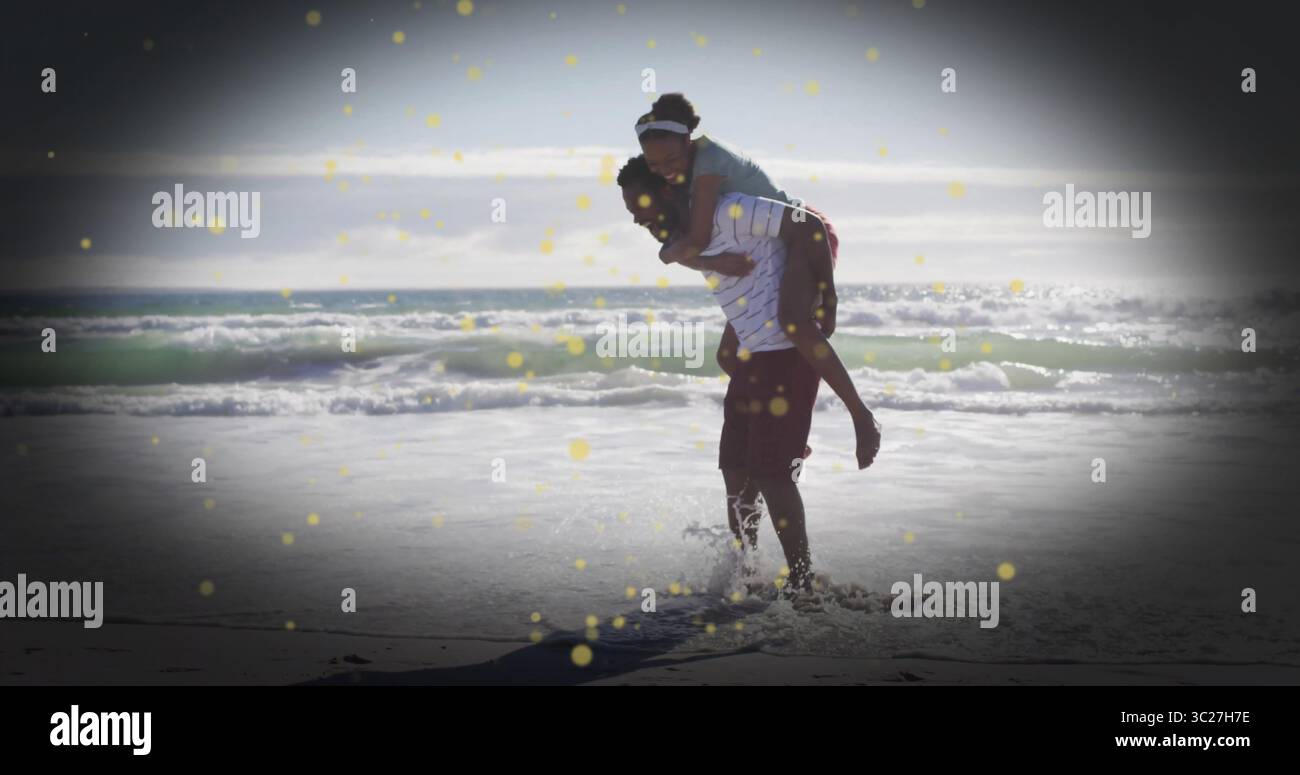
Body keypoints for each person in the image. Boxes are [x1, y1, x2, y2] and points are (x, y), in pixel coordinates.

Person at [618, 155, 879, 593]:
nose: (636, 218)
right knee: (736, 470)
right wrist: (714, 263)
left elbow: (806, 223)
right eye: (629, 211)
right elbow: (674, 255)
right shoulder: (685, 238)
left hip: (786, 352)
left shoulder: (730, 209)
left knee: (773, 475)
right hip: (750, 350)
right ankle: (746, 573)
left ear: (666, 191)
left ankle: (802, 583)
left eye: (639, 205)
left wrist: (826, 296)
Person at [634, 92, 881, 470]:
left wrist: (670, 255)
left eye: (671, 158)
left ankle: (862, 416)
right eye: (655, 164)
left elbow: (695, 242)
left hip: (806, 231)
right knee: (728, 355)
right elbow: (694, 249)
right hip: (777, 242)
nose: (665, 168)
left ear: (688, 141)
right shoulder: (684, 175)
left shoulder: (708, 164)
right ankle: (791, 432)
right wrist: (690, 256)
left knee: (794, 323)